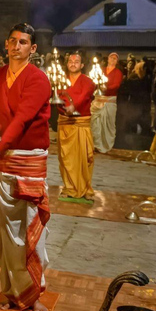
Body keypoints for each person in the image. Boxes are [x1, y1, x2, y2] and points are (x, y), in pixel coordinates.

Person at [0, 23, 51, 311]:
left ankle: (32, 292)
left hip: (28, 160)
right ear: (6, 45)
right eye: (12, 41)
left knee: (30, 230)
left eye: (23, 42)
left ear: (32, 49)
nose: (16, 46)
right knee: (3, 231)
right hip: (4, 159)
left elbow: (22, 119)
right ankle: (12, 290)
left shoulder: (38, 79)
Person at [57, 52, 95, 200]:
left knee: (85, 157)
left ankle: (86, 188)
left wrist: (73, 106)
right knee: (66, 157)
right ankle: (69, 188)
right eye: (71, 61)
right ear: (67, 64)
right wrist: (65, 108)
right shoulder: (60, 80)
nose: (73, 63)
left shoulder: (88, 82)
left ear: (82, 65)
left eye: (76, 61)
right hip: (65, 122)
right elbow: (58, 95)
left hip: (81, 123)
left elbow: (84, 95)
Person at [91, 52, 123, 153]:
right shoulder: (101, 70)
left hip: (109, 100)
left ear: (117, 61)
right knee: (95, 123)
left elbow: (116, 85)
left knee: (108, 124)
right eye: (111, 58)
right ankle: (94, 143)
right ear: (108, 59)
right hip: (98, 99)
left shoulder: (118, 72)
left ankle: (105, 144)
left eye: (115, 58)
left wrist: (106, 88)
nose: (113, 60)